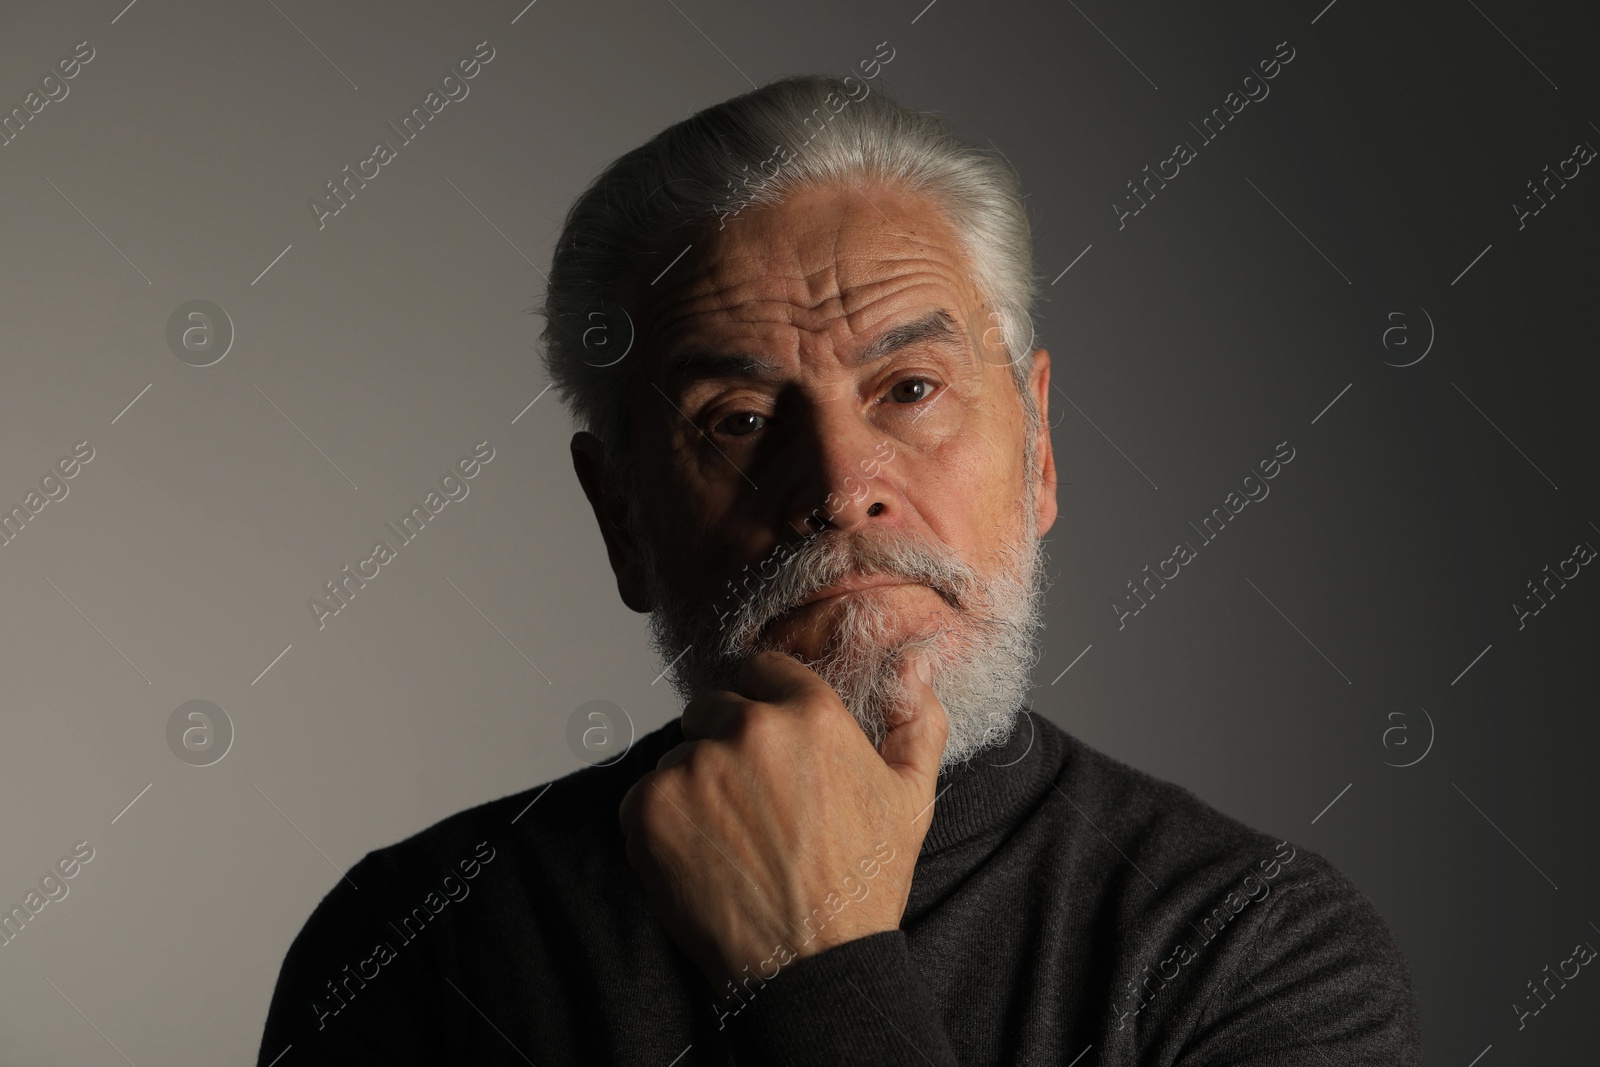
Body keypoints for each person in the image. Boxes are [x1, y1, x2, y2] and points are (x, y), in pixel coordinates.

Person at [257, 74, 1421, 1065]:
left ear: (1040, 449)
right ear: (622, 517)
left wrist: (811, 964)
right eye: (741, 418)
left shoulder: (1251, 946)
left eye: (908, 388)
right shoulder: (414, 941)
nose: (838, 483)